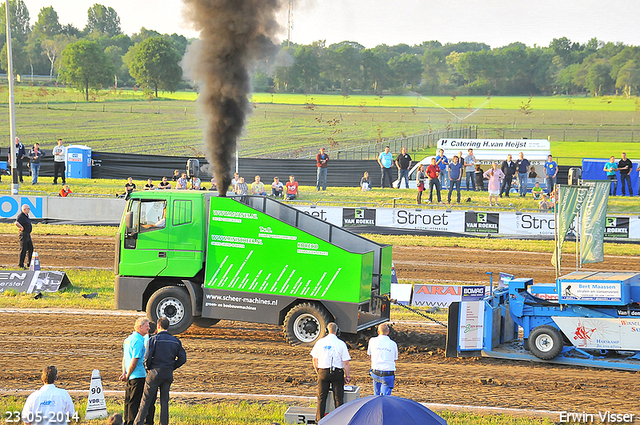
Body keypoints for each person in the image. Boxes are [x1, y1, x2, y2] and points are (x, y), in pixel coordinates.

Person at [133, 317, 187, 425]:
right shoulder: (176, 341)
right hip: (167, 374)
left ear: (158, 326)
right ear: (168, 327)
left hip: (153, 373)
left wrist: (147, 367)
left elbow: (147, 358)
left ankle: (138, 423)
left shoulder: (153, 340)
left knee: (145, 401)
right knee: (164, 402)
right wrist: (172, 367)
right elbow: (182, 359)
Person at [310, 322, 351, 423]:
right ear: (337, 331)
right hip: (337, 372)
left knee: (321, 397)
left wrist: (318, 371)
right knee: (338, 398)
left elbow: (315, 359)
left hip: (323, 371)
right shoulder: (341, 344)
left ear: (326, 331)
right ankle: (339, 420)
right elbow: (346, 362)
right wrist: (347, 375)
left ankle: (319, 420)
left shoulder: (320, 342)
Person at [120, 317, 155, 425]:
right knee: (135, 402)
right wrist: (128, 374)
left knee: (128, 401)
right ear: (140, 327)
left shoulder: (128, 339)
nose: (149, 328)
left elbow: (125, 358)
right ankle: (132, 422)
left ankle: (126, 421)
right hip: (138, 375)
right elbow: (134, 361)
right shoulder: (139, 341)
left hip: (130, 375)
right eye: (147, 326)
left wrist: (125, 373)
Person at [368, 323, 398, 396]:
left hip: (375, 371)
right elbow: (395, 359)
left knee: (376, 395)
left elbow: (370, 355)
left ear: (378, 332)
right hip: (388, 373)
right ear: (388, 332)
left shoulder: (372, 341)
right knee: (386, 398)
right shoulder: (393, 344)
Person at [15, 204, 33, 269]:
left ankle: (29, 263)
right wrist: (21, 227)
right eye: (28, 208)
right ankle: (20, 265)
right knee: (23, 250)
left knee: (30, 248)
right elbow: (16, 223)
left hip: (28, 234)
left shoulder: (26, 216)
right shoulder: (21, 216)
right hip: (23, 234)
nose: (29, 210)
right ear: (24, 209)